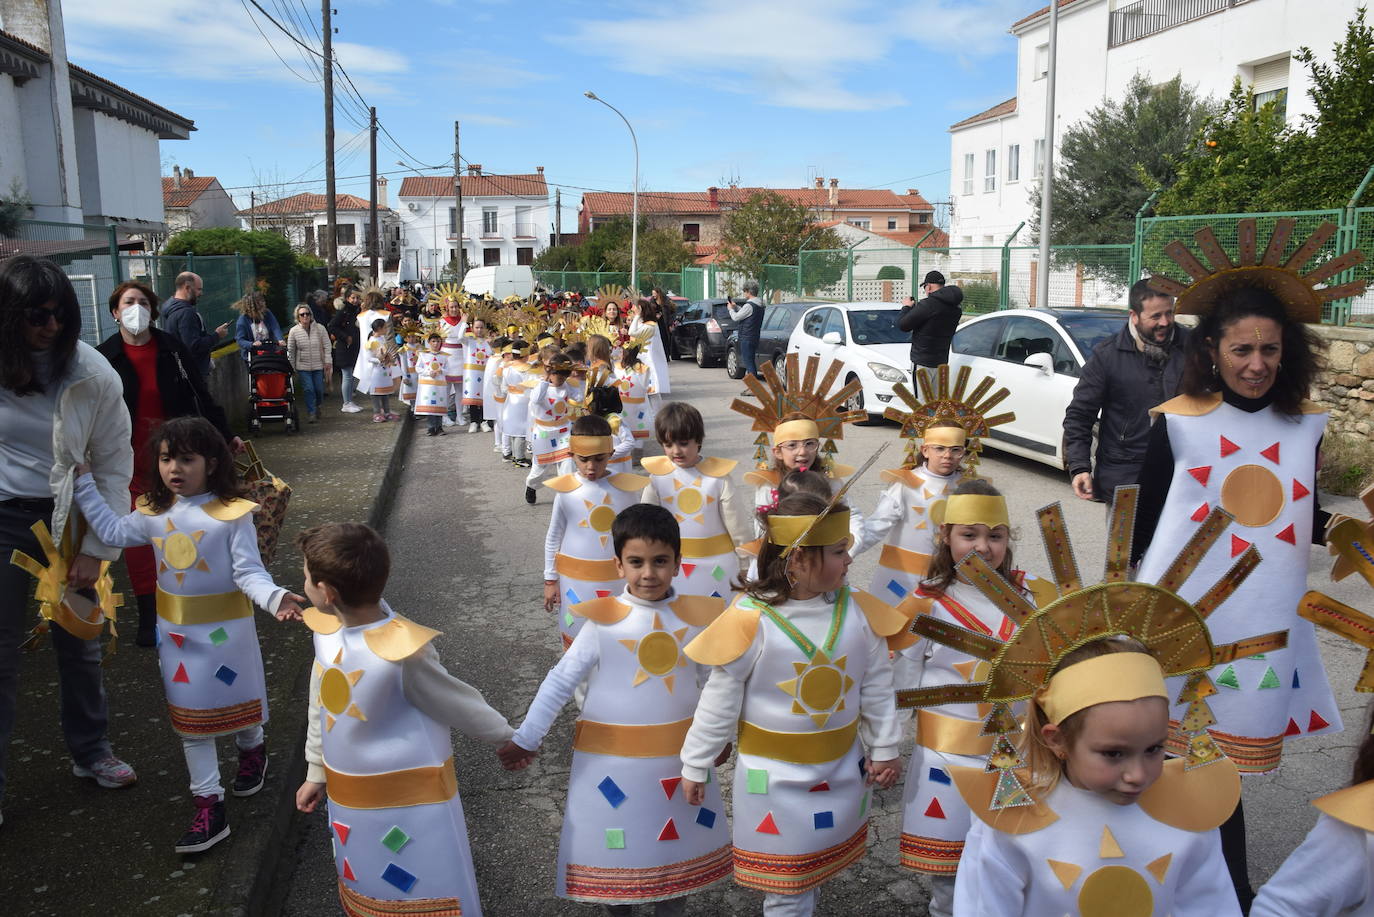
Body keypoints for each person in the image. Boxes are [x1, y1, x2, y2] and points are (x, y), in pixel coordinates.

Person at [1132, 284, 1338, 908]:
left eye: (1270, 349)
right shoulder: (1179, 423)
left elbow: (1306, 515)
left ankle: (1227, 891)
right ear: (1212, 351)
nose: (1257, 364)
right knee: (1150, 763)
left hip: (1262, 631)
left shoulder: (1305, 428)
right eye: (1242, 348)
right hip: (1178, 625)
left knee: (1218, 771)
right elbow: (1141, 536)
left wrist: (1351, 534)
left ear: (1288, 353)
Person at [72, 417, 305, 853]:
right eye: (165, 459)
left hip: (227, 632)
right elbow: (110, 531)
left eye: (186, 458)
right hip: (176, 636)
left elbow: (249, 571)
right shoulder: (153, 514)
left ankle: (252, 748)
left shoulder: (232, 515)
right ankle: (209, 805)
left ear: (211, 462)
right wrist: (85, 483)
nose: (174, 468)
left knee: (240, 701)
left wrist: (275, 599)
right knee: (192, 724)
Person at [680, 492, 905, 916]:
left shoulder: (857, 612)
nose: (850, 560)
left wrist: (884, 746)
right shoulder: (751, 619)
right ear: (799, 560)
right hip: (773, 781)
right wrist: (696, 761)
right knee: (786, 887)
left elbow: (875, 684)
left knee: (809, 872)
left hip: (841, 768)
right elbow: (719, 700)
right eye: (839, 552)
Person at [500, 504, 731, 913]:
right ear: (618, 565)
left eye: (660, 561)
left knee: (672, 854)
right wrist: (527, 737)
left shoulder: (696, 619)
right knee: (616, 855)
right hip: (610, 767)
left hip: (677, 763)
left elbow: (714, 682)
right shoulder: (603, 622)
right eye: (636, 562)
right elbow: (560, 680)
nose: (648, 573)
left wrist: (718, 736)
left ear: (678, 563)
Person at [295, 522, 514, 916]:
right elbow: (321, 701)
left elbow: (456, 701)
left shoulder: (401, 651)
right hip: (350, 799)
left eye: (307, 579)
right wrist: (316, 770)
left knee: (421, 885)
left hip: (412, 805)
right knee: (369, 884)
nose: (305, 585)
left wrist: (506, 737)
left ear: (327, 593)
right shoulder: (325, 633)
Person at [951, 638, 1241, 916]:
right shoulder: (1012, 820)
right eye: (1114, 754)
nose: (1138, 775)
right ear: (1058, 739)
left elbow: (1211, 904)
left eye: (1154, 749)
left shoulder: (1188, 811)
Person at [0, 255, 138, 819]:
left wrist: (95, 549)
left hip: (75, 519)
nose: (50, 325)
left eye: (61, 314)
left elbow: (113, 465)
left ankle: (91, 751)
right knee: (1, 652)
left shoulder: (92, 374)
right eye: (36, 313)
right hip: (5, 514)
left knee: (80, 641)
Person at [893, 482, 1045, 916]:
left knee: (1013, 864)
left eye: (995, 536)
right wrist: (885, 746)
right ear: (945, 536)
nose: (983, 546)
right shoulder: (927, 604)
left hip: (1018, 758)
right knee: (950, 872)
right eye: (969, 535)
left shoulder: (1031, 598)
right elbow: (900, 683)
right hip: (947, 759)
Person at [96, 280, 239, 646]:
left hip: (175, 459)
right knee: (140, 538)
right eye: (128, 302)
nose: (136, 308)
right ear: (114, 312)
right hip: (127, 461)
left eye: (143, 302)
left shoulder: (171, 349)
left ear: (154, 310)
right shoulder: (104, 357)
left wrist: (223, 434)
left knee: (182, 529)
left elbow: (200, 393)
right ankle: (148, 614)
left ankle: (186, 600)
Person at [1064, 279, 1186, 507]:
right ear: (1134, 315)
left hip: (1180, 477)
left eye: (1169, 313)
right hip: (1124, 480)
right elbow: (1079, 415)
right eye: (1156, 316)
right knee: (1125, 544)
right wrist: (1079, 466)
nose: (1165, 322)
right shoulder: (1107, 355)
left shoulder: (1192, 347)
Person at [540, 415, 649, 649]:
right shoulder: (566, 491)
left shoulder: (625, 490)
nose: (591, 467)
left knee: (619, 639)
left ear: (611, 454)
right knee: (577, 638)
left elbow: (638, 536)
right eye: (584, 459)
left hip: (617, 582)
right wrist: (550, 579)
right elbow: (554, 536)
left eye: (599, 459)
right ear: (572, 455)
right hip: (574, 583)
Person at [638, 403, 751, 598]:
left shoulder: (718, 478)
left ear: (698, 440)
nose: (676, 451)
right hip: (672, 567)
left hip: (718, 566)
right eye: (668, 444)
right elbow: (644, 524)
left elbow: (738, 525)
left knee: (718, 619)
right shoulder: (657, 477)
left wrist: (746, 564)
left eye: (683, 443)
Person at [860, 419, 968, 600]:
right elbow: (878, 524)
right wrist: (844, 550)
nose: (947, 455)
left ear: (963, 452)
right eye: (939, 448)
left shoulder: (969, 487)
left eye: (955, 449)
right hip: (900, 575)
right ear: (925, 450)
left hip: (947, 576)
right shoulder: (906, 483)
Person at [524, 351, 576, 504]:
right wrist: (545, 379)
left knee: (568, 463)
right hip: (544, 432)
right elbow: (535, 400)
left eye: (564, 377)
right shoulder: (541, 386)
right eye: (559, 377)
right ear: (551, 373)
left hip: (563, 431)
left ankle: (567, 495)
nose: (561, 380)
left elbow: (577, 397)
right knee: (540, 467)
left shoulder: (567, 385)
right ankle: (531, 485)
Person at [897, 271, 963, 385]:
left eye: (925, 287)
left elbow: (903, 325)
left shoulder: (928, 305)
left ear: (929, 286)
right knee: (936, 400)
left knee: (922, 401)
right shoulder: (955, 308)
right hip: (942, 362)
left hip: (923, 363)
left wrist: (906, 307)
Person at [160, 271, 228, 379]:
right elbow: (193, 346)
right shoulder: (186, 313)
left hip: (181, 373)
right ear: (187, 288)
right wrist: (217, 336)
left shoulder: (171, 309)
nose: (201, 293)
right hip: (192, 376)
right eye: (199, 289)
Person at [286, 303, 331, 423]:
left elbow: (327, 345)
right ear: (298, 317)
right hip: (303, 366)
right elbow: (291, 350)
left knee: (319, 390)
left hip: (318, 365)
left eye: (307, 314)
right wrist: (292, 367)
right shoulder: (293, 331)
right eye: (302, 314)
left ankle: (318, 406)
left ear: (311, 315)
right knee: (308, 389)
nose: (305, 316)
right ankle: (311, 412)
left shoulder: (320, 328)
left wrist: (328, 361)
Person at [727, 279, 765, 389]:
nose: (744, 293)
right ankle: (751, 387)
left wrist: (730, 309)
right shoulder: (759, 304)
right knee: (750, 361)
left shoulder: (749, 305)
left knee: (749, 363)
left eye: (744, 291)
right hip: (754, 336)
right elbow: (747, 313)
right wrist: (736, 307)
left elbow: (736, 317)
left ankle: (753, 388)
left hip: (746, 337)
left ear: (748, 291)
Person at [327, 293, 362, 413]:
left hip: (354, 348)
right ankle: (346, 403)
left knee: (352, 376)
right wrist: (345, 336)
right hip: (344, 348)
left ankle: (350, 400)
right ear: (347, 299)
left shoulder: (357, 311)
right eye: (353, 298)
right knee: (347, 375)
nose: (355, 300)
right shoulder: (343, 312)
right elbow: (332, 326)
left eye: (357, 298)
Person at [232, 292, 284, 363]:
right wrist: (251, 344)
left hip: (270, 352)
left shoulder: (267, 313)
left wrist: (280, 339)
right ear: (254, 306)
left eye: (263, 301)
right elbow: (240, 340)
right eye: (261, 302)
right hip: (253, 356)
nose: (264, 303)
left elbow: (275, 327)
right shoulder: (242, 321)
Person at [416, 332, 450, 436]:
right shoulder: (423, 355)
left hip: (439, 384)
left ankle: (439, 427)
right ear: (429, 342)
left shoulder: (444, 356)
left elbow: (448, 369)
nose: (436, 344)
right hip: (428, 385)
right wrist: (427, 373)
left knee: (439, 405)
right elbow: (418, 368)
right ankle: (431, 427)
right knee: (430, 406)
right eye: (433, 341)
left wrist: (441, 371)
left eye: (438, 341)